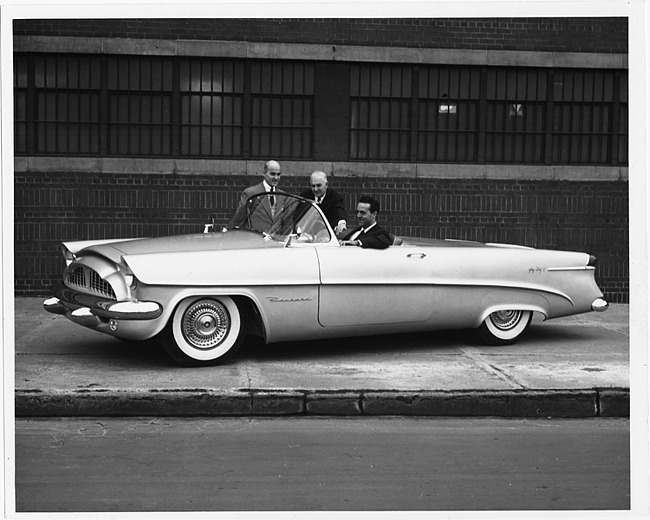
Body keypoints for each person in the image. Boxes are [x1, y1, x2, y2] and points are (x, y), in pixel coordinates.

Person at [236, 160, 289, 231]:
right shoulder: (251, 193)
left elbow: (285, 223)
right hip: (256, 239)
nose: (276, 178)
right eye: (272, 174)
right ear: (264, 173)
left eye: (278, 174)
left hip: (275, 240)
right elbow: (239, 219)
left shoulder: (283, 196)